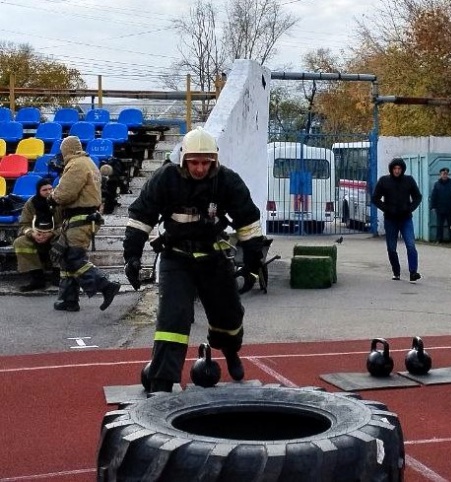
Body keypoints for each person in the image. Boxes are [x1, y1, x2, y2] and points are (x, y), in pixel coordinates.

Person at [122, 127, 265, 393]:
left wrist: (253, 261)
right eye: (194, 162)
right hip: (176, 257)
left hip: (213, 256)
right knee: (173, 318)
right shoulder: (165, 178)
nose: (200, 168)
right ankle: (163, 381)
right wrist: (131, 256)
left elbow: (249, 221)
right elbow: (141, 216)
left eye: (205, 162)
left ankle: (231, 352)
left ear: (214, 160)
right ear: (184, 159)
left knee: (229, 314)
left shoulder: (227, 181)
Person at [48, 136, 120, 312]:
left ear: (67, 150)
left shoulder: (77, 165)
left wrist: (52, 197)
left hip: (79, 218)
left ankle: (105, 285)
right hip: (81, 218)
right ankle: (68, 299)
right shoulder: (87, 162)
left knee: (74, 258)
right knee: (67, 258)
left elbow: (65, 193)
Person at [371, 157, 423, 281]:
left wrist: (410, 208)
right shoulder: (384, 181)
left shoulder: (409, 181)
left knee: (410, 245)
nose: (397, 171)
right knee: (391, 247)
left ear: (402, 169)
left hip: (405, 218)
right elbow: (375, 198)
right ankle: (396, 271)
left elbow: (418, 197)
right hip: (390, 219)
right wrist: (386, 208)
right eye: (395, 168)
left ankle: (413, 272)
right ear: (391, 169)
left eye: (399, 168)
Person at [13, 177, 61, 291]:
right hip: (36, 235)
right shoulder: (31, 204)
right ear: (38, 191)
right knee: (20, 242)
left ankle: (57, 275)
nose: (49, 192)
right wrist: (32, 234)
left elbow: (66, 224)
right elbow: (24, 224)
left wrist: (52, 233)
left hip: (55, 235)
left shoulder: (59, 202)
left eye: (50, 189)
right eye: (45, 190)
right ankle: (37, 278)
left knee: (63, 240)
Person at [429, 167, 451, 243]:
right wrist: (432, 206)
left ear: (447, 174)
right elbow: (433, 196)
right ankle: (439, 239)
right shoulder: (437, 184)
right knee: (439, 225)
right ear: (440, 174)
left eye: (446, 174)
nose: (444, 175)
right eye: (443, 174)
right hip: (440, 209)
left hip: (450, 208)